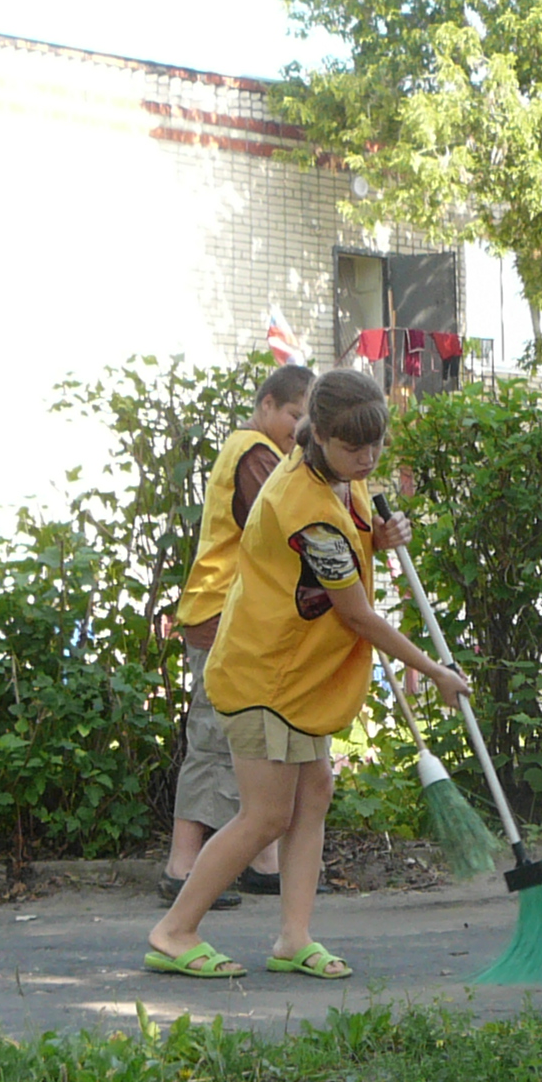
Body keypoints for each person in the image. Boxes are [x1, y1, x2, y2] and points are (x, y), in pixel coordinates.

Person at [146, 370, 469, 980]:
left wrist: (377, 534)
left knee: (313, 792)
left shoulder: (338, 476)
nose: (367, 458)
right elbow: (355, 615)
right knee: (266, 814)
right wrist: (435, 670)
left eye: (375, 446)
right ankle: (174, 930)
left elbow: (350, 544)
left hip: (296, 677)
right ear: (319, 434)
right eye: (354, 448)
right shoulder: (305, 507)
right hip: (265, 675)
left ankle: (293, 938)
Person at [166, 364, 315, 904]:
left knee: (252, 740)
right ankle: (183, 866)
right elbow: (280, 527)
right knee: (213, 740)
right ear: (267, 405)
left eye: (308, 421)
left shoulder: (263, 453)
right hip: (220, 618)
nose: (299, 429)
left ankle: (262, 861)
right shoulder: (254, 455)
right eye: (295, 416)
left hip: (240, 619)